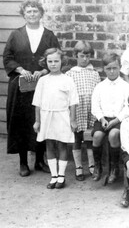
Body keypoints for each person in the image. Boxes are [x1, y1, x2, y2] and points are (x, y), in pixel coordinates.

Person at [3, 0, 59, 176]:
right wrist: (20, 69)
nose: (32, 14)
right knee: (21, 122)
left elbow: (57, 57)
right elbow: (8, 58)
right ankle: (23, 162)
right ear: (24, 14)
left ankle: (40, 160)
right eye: (29, 12)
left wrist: (43, 70)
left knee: (41, 121)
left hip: (43, 85)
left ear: (41, 14)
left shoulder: (49, 35)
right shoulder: (16, 34)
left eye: (35, 11)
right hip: (21, 87)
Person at [32, 48, 79, 189]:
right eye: (50, 61)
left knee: (62, 145)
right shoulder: (43, 81)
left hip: (62, 116)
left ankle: (61, 176)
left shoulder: (68, 80)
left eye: (56, 61)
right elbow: (37, 103)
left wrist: (72, 120)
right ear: (45, 62)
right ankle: (53, 176)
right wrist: (38, 120)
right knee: (49, 145)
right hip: (47, 116)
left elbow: (72, 103)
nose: (53, 64)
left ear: (62, 62)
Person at [91, 52, 129, 184]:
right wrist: (102, 119)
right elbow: (95, 106)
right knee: (97, 136)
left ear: (119, 68)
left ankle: (114, 168)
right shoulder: (100, 87)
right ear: (104, 69)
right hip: (103, 119)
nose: (112, 71)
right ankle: (98, 166)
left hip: (119, 120)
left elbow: (128, 107)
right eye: (108, 68)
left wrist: (116, 120)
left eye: (115, 68)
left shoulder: (125, 86)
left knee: (113, 135)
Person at [66, 41, 101, 181]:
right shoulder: (70, 74)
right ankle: (79, 167)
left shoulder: (94, 73)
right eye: (82, 56)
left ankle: (92, 165)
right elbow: (68, 95)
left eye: (87, 56)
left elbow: (98, 93)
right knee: (77, 138)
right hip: (77, 109)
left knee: (89, 138)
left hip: (90, 110)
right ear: (76, 56)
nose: (85, 59)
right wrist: (71, 116)